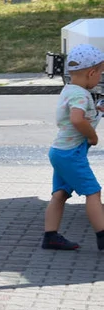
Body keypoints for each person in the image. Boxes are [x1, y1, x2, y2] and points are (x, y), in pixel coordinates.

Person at [42, 44, 104, 251]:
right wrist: (93, 136)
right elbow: (77, 120)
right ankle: (102, 236)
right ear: (92, 72)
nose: (100, 78)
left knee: (60, 193)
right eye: (100, 73)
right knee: (93, 192)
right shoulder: (81, 95)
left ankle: (50, 237)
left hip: (59, 152)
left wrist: (95, 110)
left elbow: (79, 115)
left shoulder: (69, 89)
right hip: (71, 154)